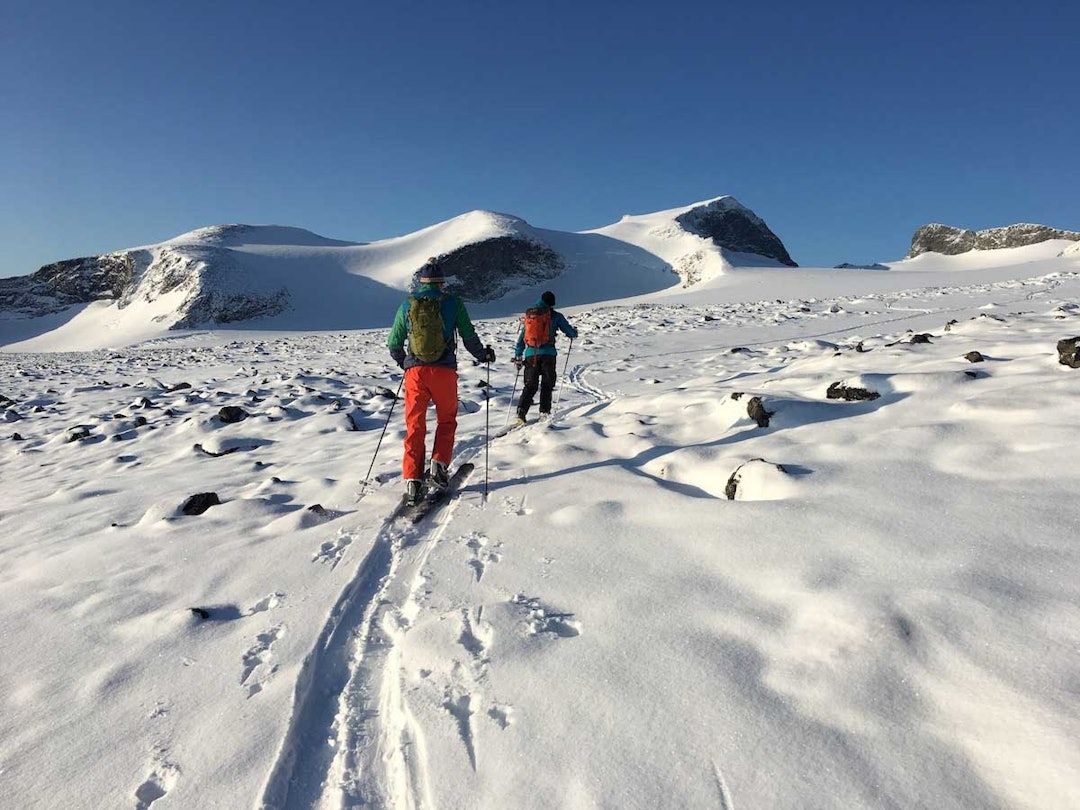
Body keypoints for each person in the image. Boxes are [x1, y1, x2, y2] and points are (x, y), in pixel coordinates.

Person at [388, 257, 495, 505]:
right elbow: (469, 336)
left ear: (422, 281)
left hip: (416, 373)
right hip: (444, 372)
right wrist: (483, 355)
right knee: (446, 420)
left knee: (415, 424)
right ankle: (438, 466)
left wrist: (405, 362)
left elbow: (394, 343)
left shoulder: (407, 305)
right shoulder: (453, 303)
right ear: (442, 283)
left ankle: (412, 480)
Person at [513, 290, 578, 425]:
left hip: (531, 354)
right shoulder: (555, 316)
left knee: (530, 385)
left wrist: (518, 355)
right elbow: (569, 332)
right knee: (547, 385)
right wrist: (574, 333)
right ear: (552, 304)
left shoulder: (530, 317)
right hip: (548, 354)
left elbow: (521, 339)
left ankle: (521, 412)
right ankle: (544, 412)